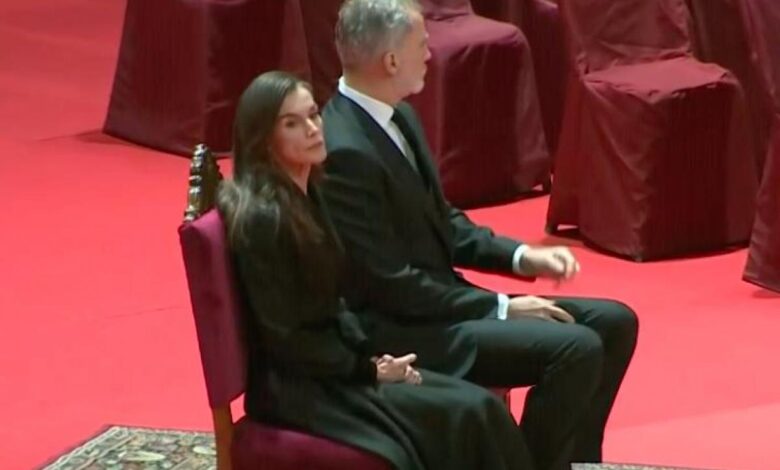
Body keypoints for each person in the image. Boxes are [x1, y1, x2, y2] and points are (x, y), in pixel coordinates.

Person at [319, 1, 639, 470]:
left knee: (614, 323)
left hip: (441, 305)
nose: (429, 53)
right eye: (420, 43)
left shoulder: (398, 117)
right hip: (403, 329)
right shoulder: (346, 150)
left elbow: (444, 222)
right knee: (576, 348)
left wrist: (521, 257)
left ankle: (571, 461)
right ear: (390, 61)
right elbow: (389, 284)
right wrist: (502, 307)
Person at [217, 71, 535, 470]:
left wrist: (370, 358)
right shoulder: (266, 220)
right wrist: (367, 368)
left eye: (313, 115)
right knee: (470, 411)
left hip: (335, 364)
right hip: (302, 386)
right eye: (292, 123)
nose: (314, 129)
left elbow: (334, 305)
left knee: (480, 407)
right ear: (263, 139)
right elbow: (289, 337)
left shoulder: (310, 191)